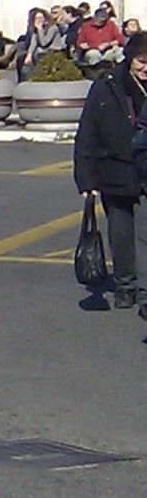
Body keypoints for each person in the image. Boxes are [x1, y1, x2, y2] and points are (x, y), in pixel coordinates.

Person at [71, 31, 147, 311]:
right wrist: (86, 179)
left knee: (145, 233)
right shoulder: (107, 85)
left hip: (144, 169)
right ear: (129, 59)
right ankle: (125, 285)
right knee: (120, 232)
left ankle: (144, 291)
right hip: (114, 170)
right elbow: (88, 132)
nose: (146, 68)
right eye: (141, 61)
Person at [74, 3, 124, 74]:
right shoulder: (86, 26)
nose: (101, 22)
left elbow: (120, 39)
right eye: (99, 20)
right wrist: (85, 46)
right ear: (94, 17)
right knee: (94, 54)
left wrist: (109, 44)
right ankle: (98, 73)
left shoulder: (110, 24)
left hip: (107, 50)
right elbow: (79, 43)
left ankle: (122, 72)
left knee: (119, 52)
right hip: (92, 50)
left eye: (103, 20)